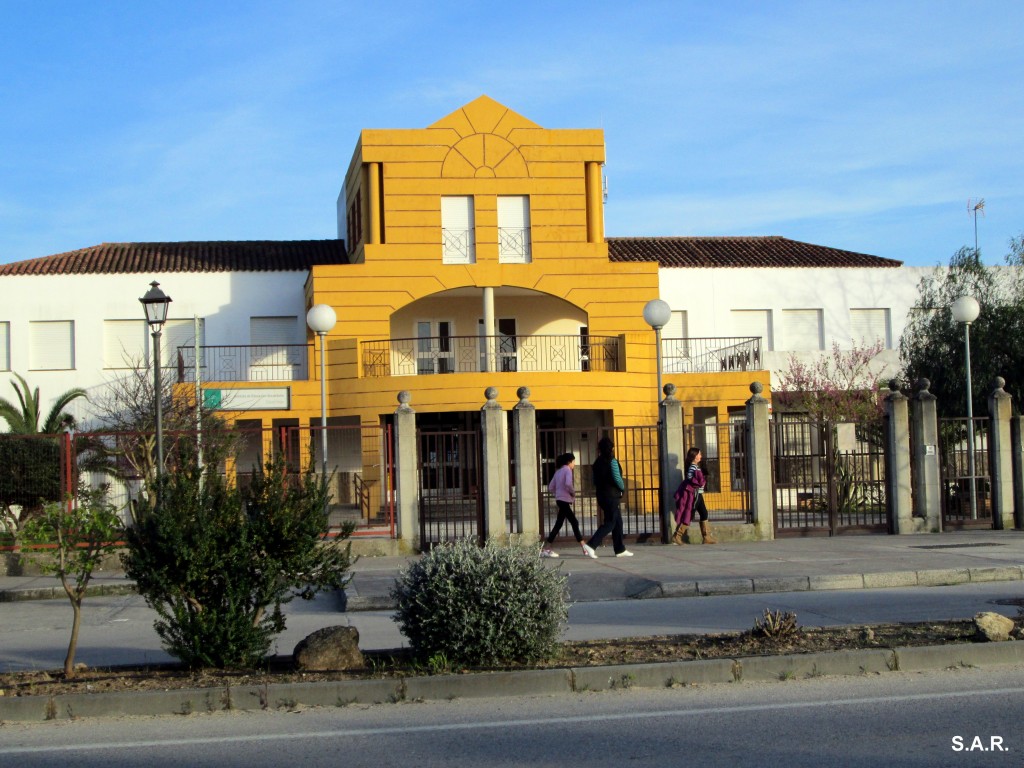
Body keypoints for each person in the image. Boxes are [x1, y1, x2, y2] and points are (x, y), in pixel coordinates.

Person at [541, 453, 596, 558]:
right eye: (574, 461)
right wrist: (572, 492)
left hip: (559, 500)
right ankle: (584, 546)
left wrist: (558, 494)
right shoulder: (567, 470)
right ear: (569, 462)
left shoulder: (558, 472)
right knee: (574, 522)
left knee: (559, 523)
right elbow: (568, 484)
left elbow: (551, 487)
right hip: (565, 500)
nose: (575, 464)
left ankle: (547, 547)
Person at [585, 436, 632, 557]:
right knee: (610, 522)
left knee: (618, 522)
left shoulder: (596, 463)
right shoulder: (612, 461)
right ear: (611, 448)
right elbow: (617, 478)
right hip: (612, 496)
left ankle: (620, 549)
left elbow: (594, 480)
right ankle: (591, 545)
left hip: (602, 495)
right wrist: (622, 488)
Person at [672, 447, 717, 544]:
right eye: (699, 454)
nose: (701, 456)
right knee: (690, 514)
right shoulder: (693, 467)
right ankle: (677, 535)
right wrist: (700, 482)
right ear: (695, 456)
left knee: (704, 513)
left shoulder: (695, 466)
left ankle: (706, 537)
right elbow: (691, 480)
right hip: (695, 494)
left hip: (699, 494)